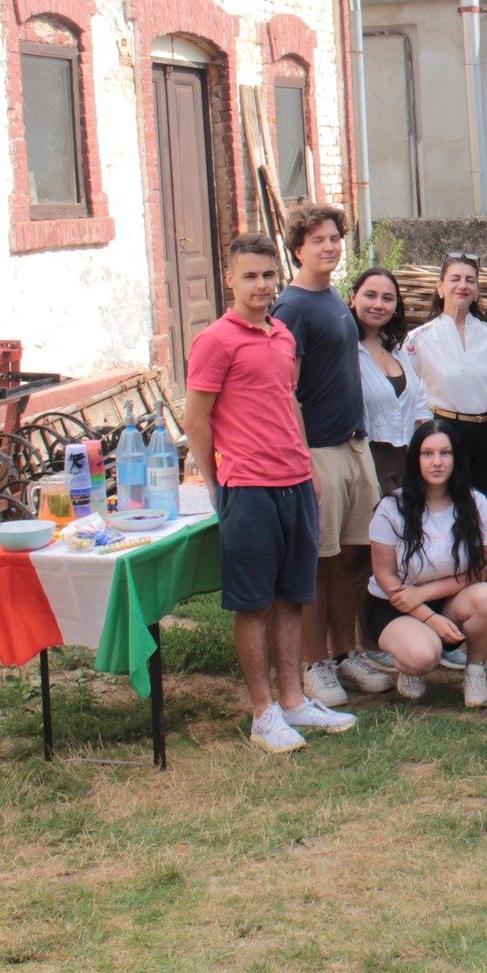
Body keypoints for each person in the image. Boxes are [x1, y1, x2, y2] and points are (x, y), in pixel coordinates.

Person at [183, 233, 355, 752]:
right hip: (249, 487)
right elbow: (196, 419)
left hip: (295, 482)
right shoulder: (215, 340)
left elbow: (289, 403)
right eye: (250, 276)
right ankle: (263, 713)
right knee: (254, 604)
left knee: (292, 598)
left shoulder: (281, 333)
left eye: (267, 275)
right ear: (230, 280)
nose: (261, 285)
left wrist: (307, 467)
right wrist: (216, 483)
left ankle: (294, 701)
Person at [271, 204, 393, 707]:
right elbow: (285, 390)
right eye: (318, 240)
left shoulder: (332, 299)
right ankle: (314, 663)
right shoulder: (293, 307)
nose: (329, 247)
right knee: (318, 564)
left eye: (335, 239)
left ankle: (346, 654)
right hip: (318, 451)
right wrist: (300, 459)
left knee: (353, 558)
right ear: (298, 248)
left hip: (353, 444)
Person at [365, 419, 487, 705]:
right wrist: (428, 617)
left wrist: (425, 594)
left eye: (445, 453)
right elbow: (385, 577)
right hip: (396, 604)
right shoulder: (392, 507)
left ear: (456, 458)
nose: (437, 462)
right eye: (427, 454)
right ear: (415, 459)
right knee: (422, 656)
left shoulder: (476, 503)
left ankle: (475, 671)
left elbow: (479, 572)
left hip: (449, 600)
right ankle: (412, 665)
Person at [403, 253, 487, 551]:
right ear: (440, 287)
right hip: (445, 431)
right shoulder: (418, 340)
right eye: (455, 279)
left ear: (477, 289)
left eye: (470, 280)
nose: (463, 285)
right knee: (447, 511)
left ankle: (486, 577)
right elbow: (410, 395)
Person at [351, 266, 427, 495]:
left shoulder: (396, 349)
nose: (378, 305)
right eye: (370, 295)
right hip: (366, 464)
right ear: (353, 297)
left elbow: (419, 403)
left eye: (387, 298)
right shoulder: (346, 349)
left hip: (406, 465)